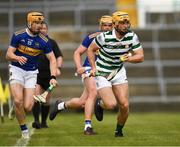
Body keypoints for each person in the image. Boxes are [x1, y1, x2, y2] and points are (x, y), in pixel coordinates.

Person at [49, 15, 113, 135]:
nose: (107, 28)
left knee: (83, 102)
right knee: (93, 93)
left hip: (104, 71)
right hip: (89, 69)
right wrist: (79, 68)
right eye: (105, 25)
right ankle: (87, 127)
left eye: (110, 25)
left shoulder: (116, 39)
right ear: (101, 26)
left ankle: (61, 105)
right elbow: (77, 52)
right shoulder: (92, 37)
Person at [87, 11, 144, 137]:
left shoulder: (132, 36)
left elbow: (140, 56)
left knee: (124, 105)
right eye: (122, 23)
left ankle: (118, 130)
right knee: (111, 104)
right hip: (102, 72)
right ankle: (100, 104)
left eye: (127, 22)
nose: (125, 25)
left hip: (118, 72)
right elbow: (90, 49)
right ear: (115, 24)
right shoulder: (104, 37)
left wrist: (127, 59)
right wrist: (93, 67)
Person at [6, 11, 58, 139]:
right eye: (36, 23)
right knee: (19, 100)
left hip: (31, 73)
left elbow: (52, 59)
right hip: (17, 70)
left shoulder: (44, 41)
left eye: (40, 23)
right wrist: (17, 58)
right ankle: (24, 130)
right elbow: (8, 55)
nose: (39, 25)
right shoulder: (18, 35)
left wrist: (53, 77)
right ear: (29, 23)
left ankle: (16, 105)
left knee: (28, 107)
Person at [32, 22, 63, 129]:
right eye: (41, 29)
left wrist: (57, 68)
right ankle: (36, 121)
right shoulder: (33, 41)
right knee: (36, 96)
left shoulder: (51, 42)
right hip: (35, 73)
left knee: (46, 100)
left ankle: (44, 122)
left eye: (45, 28)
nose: (43, 30)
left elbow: (58, 57)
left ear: (47, 30)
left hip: (48, 75)